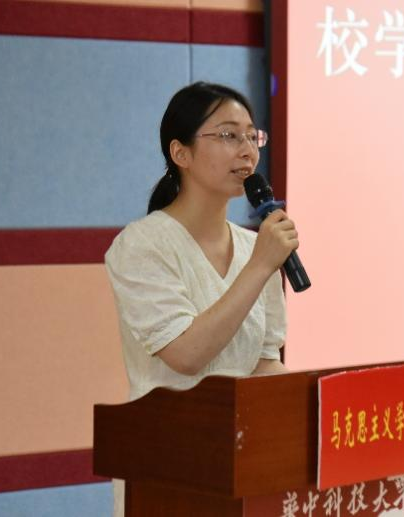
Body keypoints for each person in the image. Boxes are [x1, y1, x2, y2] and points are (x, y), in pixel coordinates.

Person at [103, 82, 299, 516]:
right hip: (168, 464)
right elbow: (186, 354)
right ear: (181, 153)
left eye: (252, 136)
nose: (246, 150)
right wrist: (260, 266)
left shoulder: (255, 248)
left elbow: (263, 363)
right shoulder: (142, 245)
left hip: (243, 461)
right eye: (228, 135)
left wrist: (318, 403)